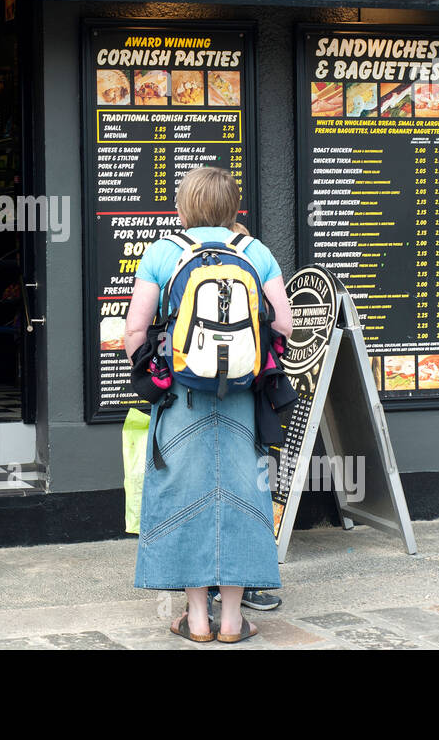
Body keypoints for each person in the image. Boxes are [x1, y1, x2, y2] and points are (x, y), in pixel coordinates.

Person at [125, 167, 292, 643]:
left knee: (185, 498)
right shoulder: (254, 252)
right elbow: (284, 326)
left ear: (183, 206)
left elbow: (134, 331)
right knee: (243, 497)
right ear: (233, 207)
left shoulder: (164, 251)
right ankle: (234, 620)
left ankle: (197, 619)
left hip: (182, 399)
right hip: (243, 400)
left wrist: (153, 370)